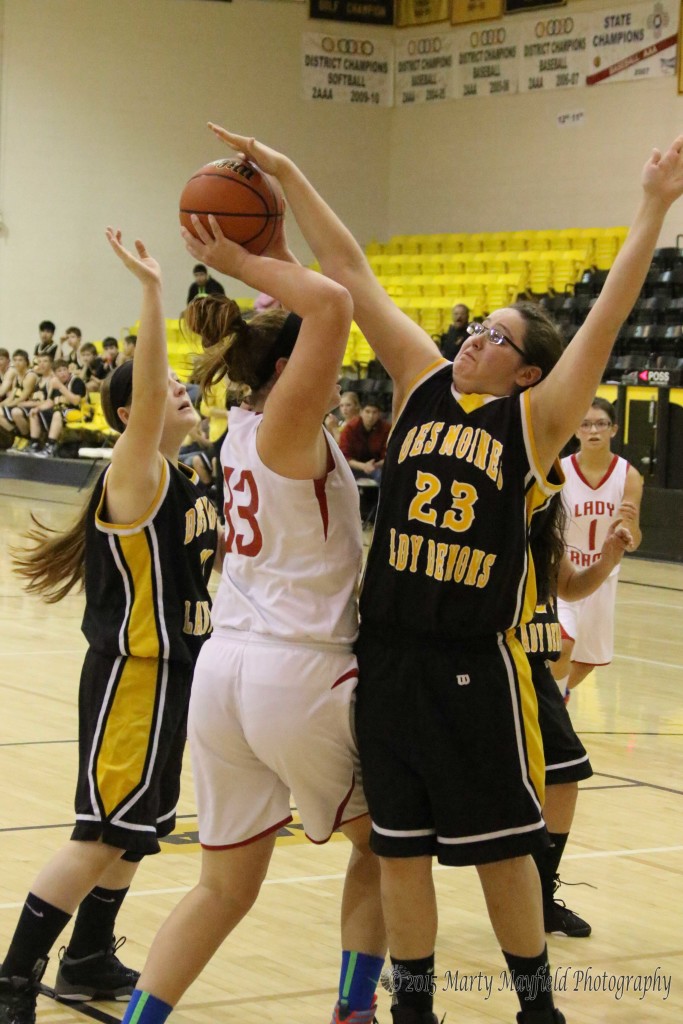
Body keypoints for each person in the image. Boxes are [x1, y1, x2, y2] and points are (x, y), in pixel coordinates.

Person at [207, 124, 683, 1024]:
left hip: (474, 663)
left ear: (527, 369)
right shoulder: (422, 381)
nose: (473, 338)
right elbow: (346, 269)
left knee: (504, 848)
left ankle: (535, 1008)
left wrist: (652, 205)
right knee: (399, 850)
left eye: (495, 337)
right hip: (386, 657)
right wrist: (288, 169)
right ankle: (412, 1011)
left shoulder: (536, 424)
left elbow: (609, 318)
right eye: (476, 327)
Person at [118, 209, 385, 1024]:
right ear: (296, 362)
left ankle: (139, 1021)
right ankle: (355, 1012)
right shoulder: (286, 427)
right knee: (385, 850)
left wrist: (264, 257)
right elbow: (333, 304)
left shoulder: (235, 429)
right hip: (296, 667)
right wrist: (240, 255)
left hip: (224, 671)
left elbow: (317, 306)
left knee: (222, 887)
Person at [0, 229, 218, 1024]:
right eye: (172, 393)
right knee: (99, 832)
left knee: (136, 834)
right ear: (135, 413)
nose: (187, 398)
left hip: (179, 673)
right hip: (135, 672)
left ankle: (89, 954)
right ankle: (14, 976)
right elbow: (154, 392)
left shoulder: (196, 474)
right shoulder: (137, 474)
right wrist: (156, 292)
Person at [522, 496, 634, 938]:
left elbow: (568, 585)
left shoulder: (545, 511)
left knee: (566, 771)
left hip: (535, 665)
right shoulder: (491, 505)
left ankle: (541, 897)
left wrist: (607, 560)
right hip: (492, 660)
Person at [551, 397, 643, 700]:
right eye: (586, 424)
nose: (593, 430)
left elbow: (635, 534)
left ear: (614, 429)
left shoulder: (628, 475)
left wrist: (625, 531)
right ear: (576, 430)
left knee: (587, 662)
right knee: (562, 645)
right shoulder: (560, 471)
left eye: (601, 424)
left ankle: (555, 700)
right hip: (564, 573)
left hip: (602, 578)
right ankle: (547, 710)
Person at [29, 358, 87, 458]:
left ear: (69, 370)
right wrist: (38, 408)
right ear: (55, 374)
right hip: (63, 412)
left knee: (57, 413)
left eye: (64, 369)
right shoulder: (57, 384)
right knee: (34, 413)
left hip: (80, 412)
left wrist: (60, 387)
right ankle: (35, 445)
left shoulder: (76, 381)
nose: (63, 373)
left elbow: (76, 401)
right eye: (59, 371)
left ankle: (51, 446)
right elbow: (50, 402)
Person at [0, 350, 38, 450]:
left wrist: (8, 405)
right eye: (15, 360)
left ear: (26, 362)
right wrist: (3, 404)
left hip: (28, 405)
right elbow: (12, 395)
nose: (17, 362)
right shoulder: (16, 375)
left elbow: (23, 397)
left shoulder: (30, 375)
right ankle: (17, 434)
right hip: (17, 404)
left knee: (15, 412)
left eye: (20, 360)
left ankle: (25, 437)